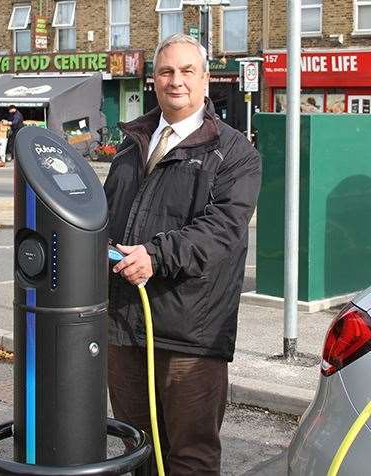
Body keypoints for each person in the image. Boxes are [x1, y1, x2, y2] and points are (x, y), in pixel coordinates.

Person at [104, 34, 261, 475]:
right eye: (166, 71)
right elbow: (107, 218)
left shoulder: (233, 153)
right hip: (126, 328)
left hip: (191, 334)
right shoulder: (130, 146)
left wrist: (156, 256)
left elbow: (222, 232)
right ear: (153, 79)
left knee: (190, 455)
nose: (176, 81)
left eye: (187, 71)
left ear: (206, 79)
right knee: (137, 450)